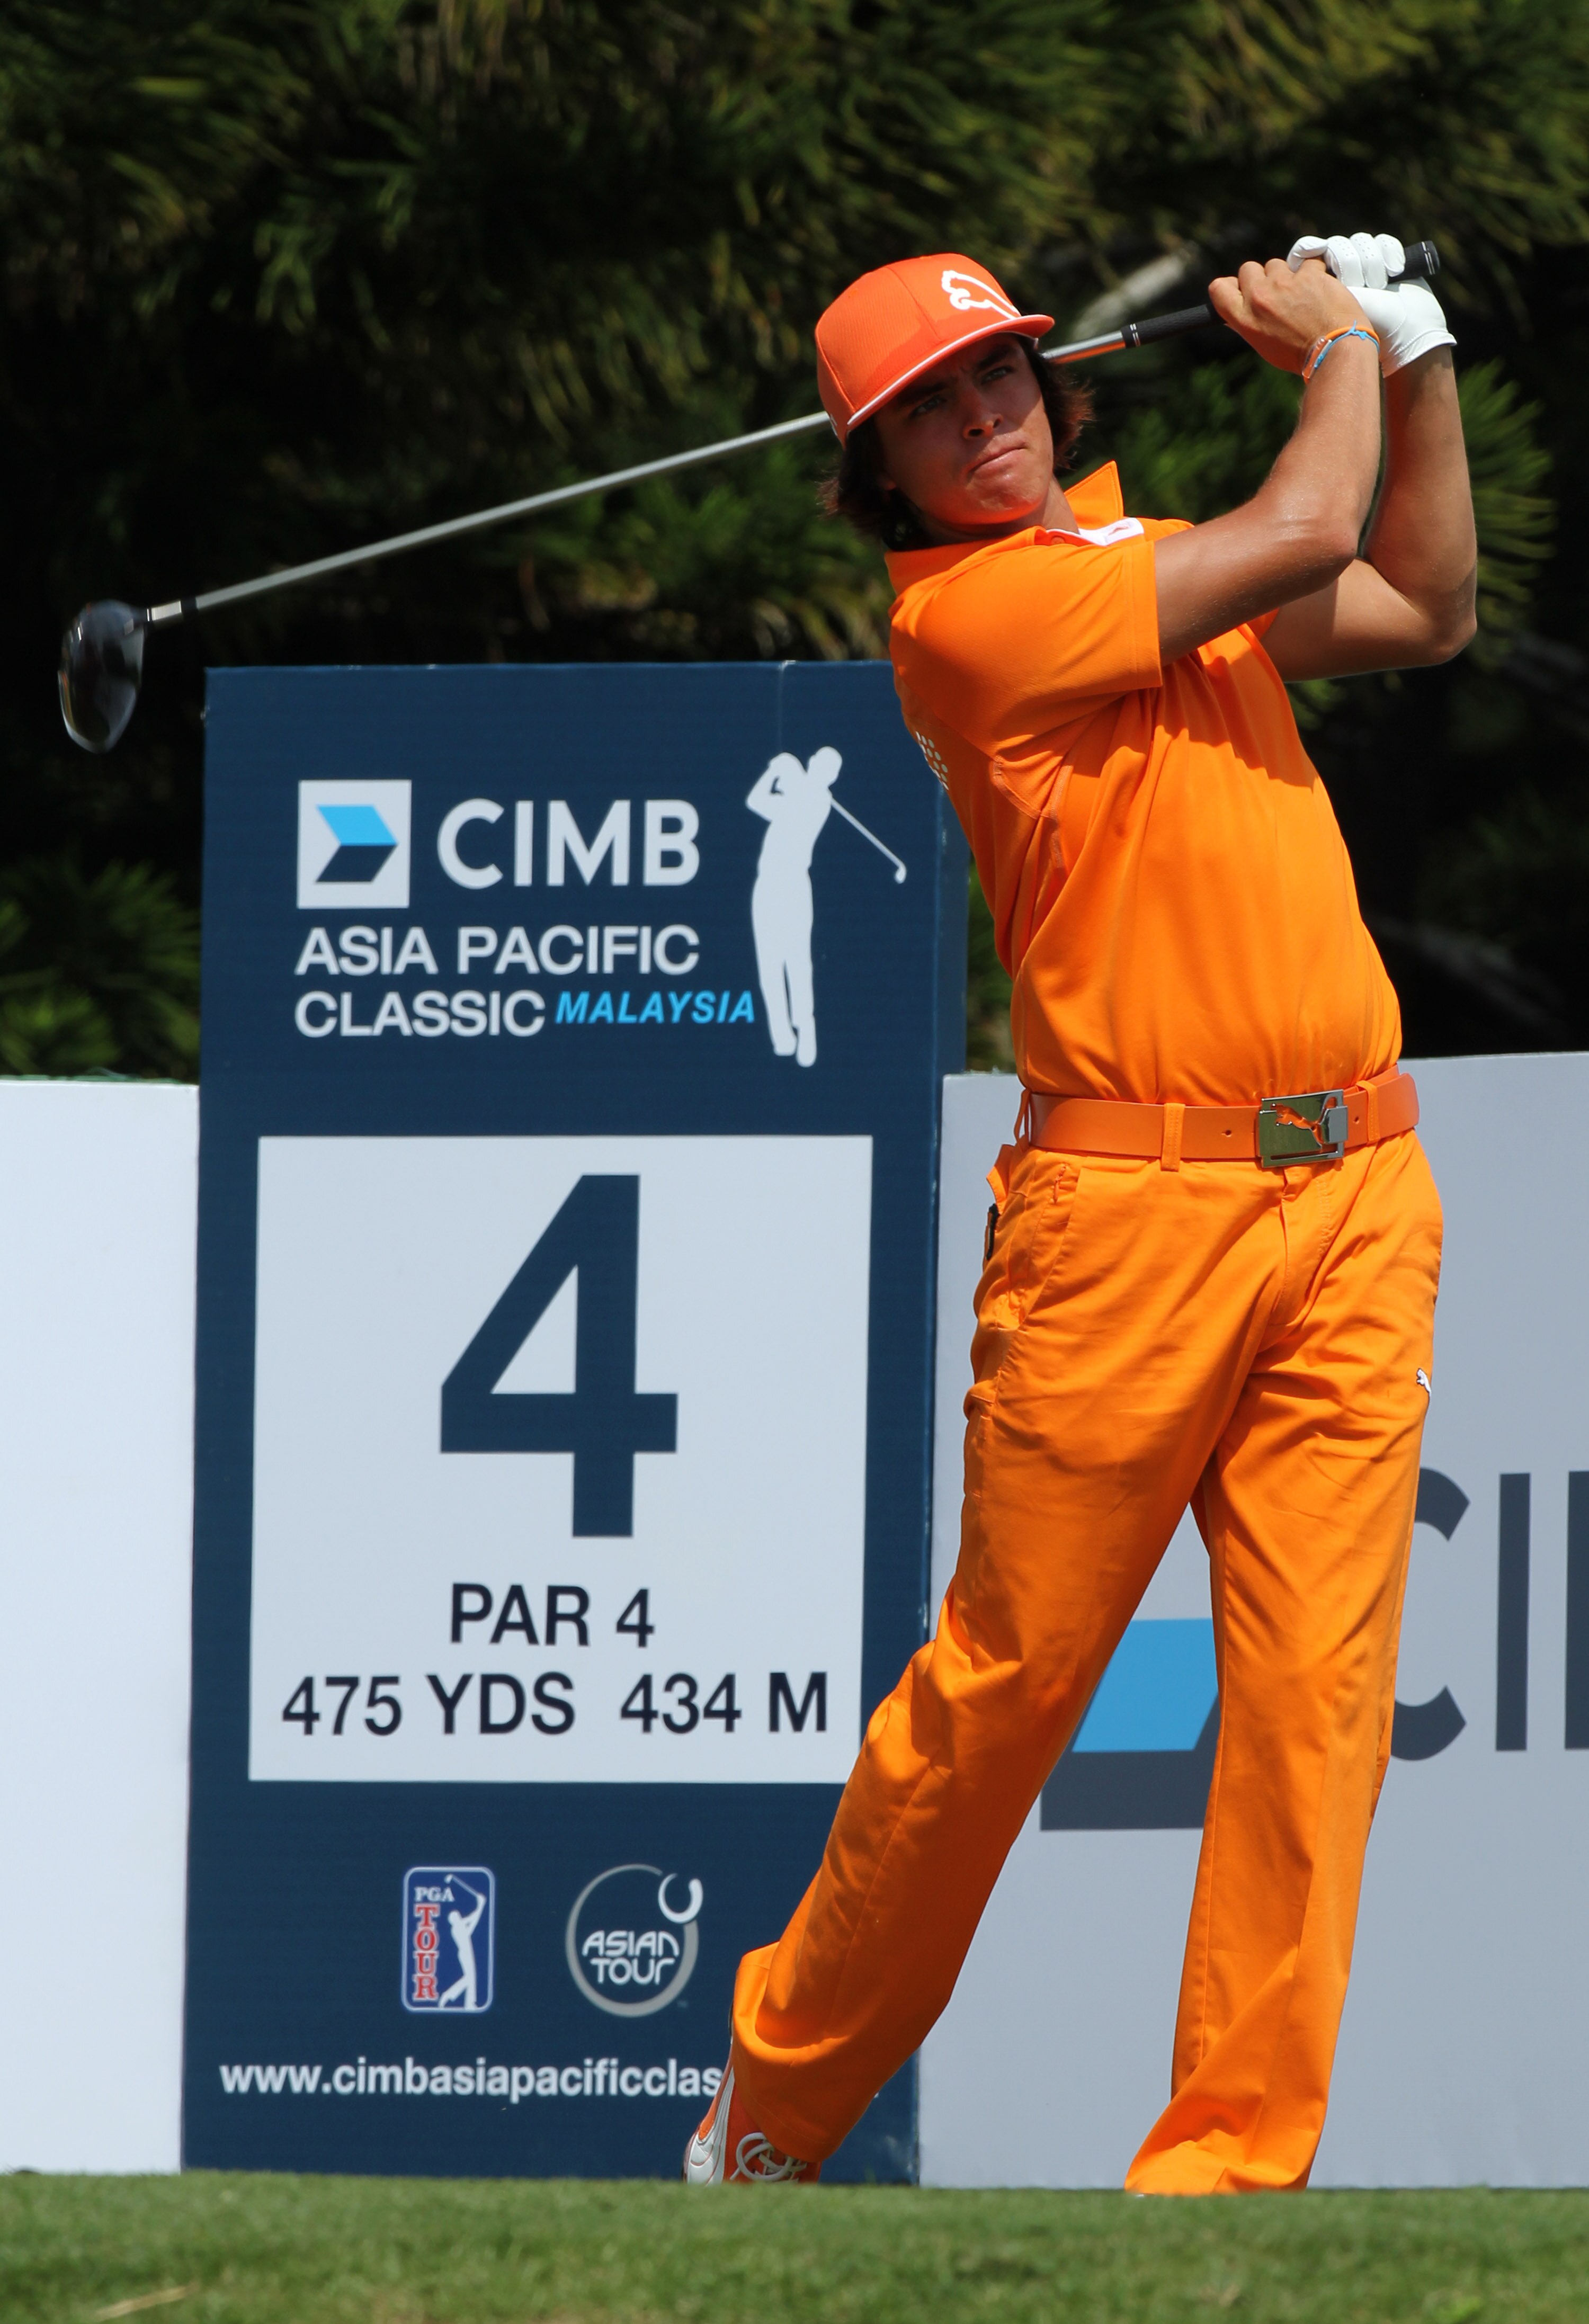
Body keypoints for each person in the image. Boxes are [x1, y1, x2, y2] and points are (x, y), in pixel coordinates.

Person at [684, 236, 1473, 2193]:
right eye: (932, 416)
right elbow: (1313, 516)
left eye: (1003, 380)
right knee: (1008, 1689)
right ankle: (772, 2114)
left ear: (1055, 382)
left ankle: (1224, 2171)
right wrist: (1335, 344)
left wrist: (1424, 353)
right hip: (1127, 1221)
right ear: (880, 479)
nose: (987, 427)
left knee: (1315, 1708)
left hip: (1360, 1189)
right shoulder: (975, 627)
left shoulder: (1158, 574)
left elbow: (1430, 602)